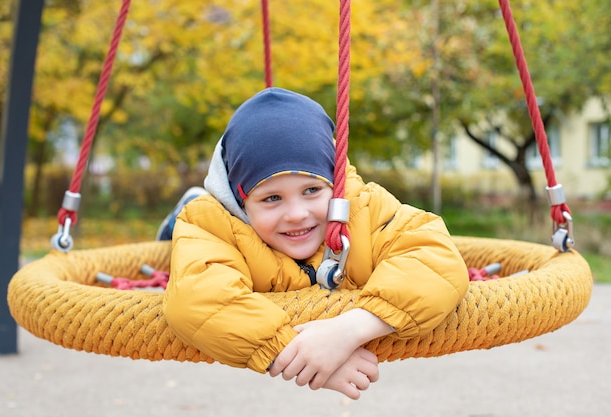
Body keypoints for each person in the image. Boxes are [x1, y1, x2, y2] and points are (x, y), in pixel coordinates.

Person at [162, 87, 469, 400]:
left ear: (334, 184)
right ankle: (180, 211)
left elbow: (435, 259)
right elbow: (195, 300)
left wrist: (349, 331)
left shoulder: (362, 206)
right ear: (240, 202)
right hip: (206, 224)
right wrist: (297, 353)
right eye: (271, 198)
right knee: (183, 236)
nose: (296, 214)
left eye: (311, 190)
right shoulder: (216, 224)